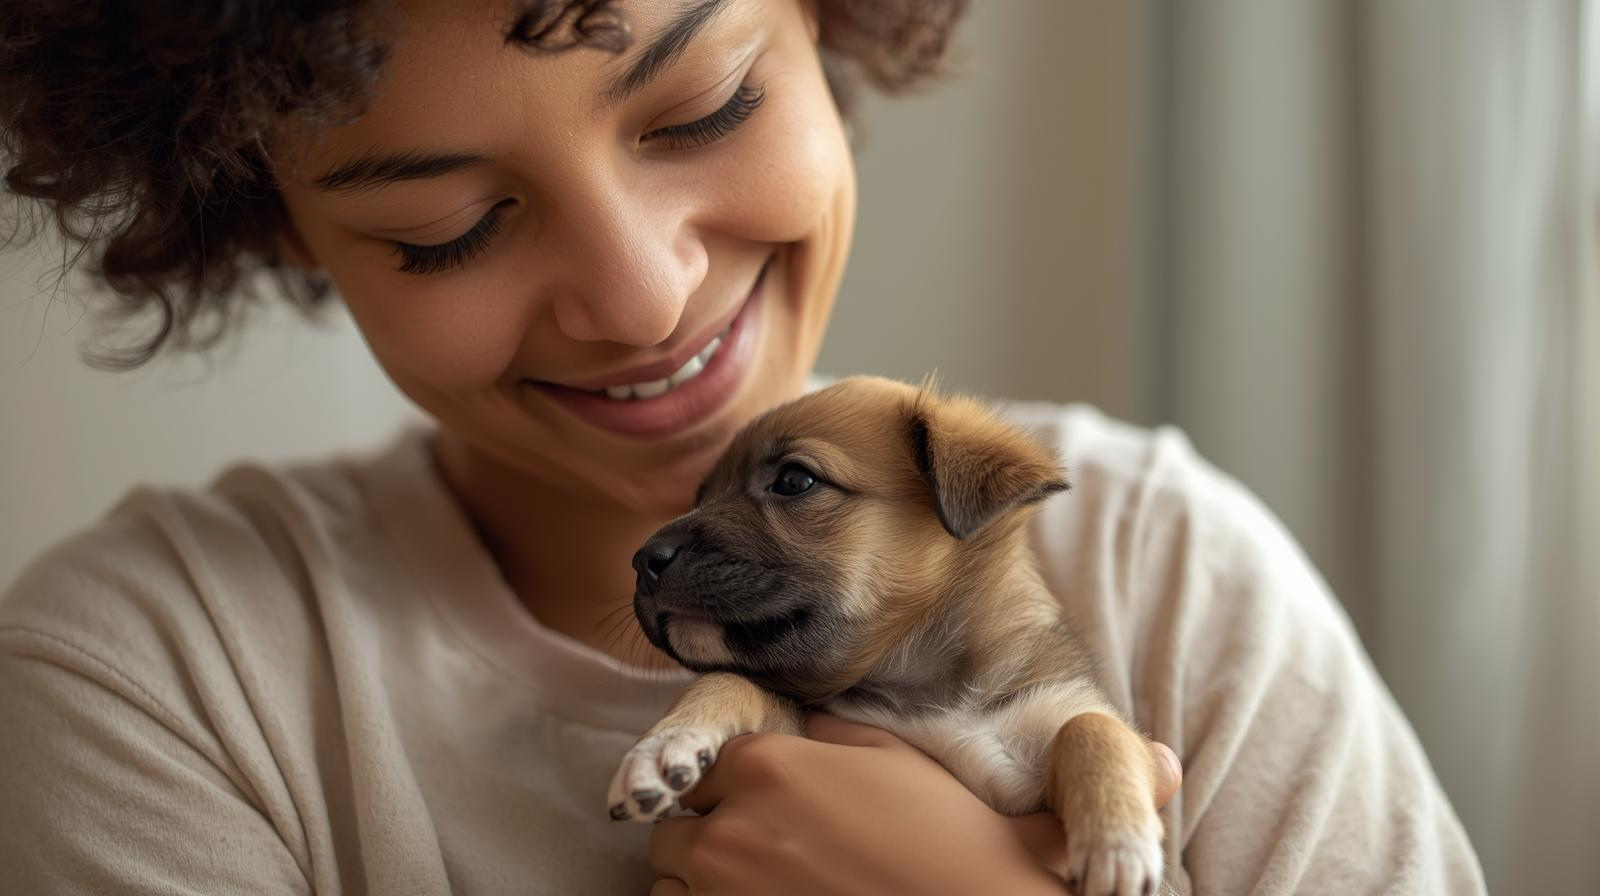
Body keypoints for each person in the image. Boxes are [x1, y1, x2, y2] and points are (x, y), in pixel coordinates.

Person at [0, 1, 1485, 893]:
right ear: (272, 222)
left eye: (704, 108)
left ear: (827, 20)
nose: (640, 297)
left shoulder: (1170, 569)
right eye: (443, 229)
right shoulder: (159, 680)